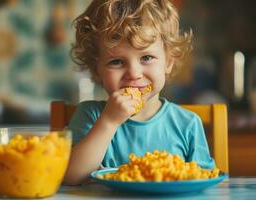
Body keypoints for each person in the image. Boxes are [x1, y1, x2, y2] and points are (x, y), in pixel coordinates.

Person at [65, 0, 215, 185]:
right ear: (97, 70)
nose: (134, 74)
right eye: (117, 62)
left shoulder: (188, 125)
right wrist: (109, 122)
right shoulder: (90, 116)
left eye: (146, 57)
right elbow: (70, 177)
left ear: (168, 61)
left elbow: (206, 181)